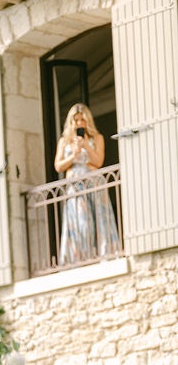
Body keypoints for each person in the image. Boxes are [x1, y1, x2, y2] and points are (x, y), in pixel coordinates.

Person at [54, 103, 121, 266]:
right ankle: (80, 259)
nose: (79, 123)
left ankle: (105, 255)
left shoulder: (97, 138)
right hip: (76, 186)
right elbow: (58, 166)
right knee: (81, 222)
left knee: (100, 219)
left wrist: (85, 146)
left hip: (94, 183)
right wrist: (73, 156)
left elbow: (98, 161)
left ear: (87, 121)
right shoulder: (64, 141)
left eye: (82, 120)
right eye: (75, 120)